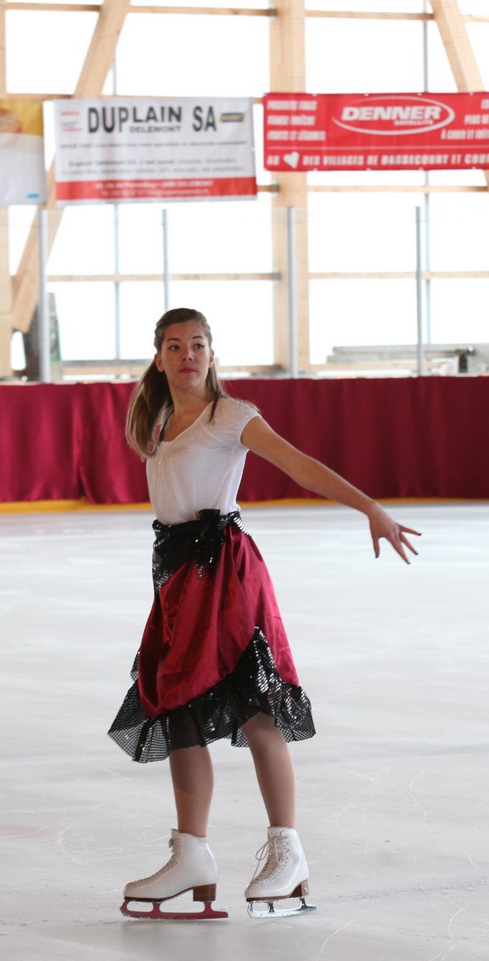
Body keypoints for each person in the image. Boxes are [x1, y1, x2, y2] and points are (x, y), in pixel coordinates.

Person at [109, 308, 420, 919]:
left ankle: (288, 853)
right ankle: (192, 854)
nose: (188, 355)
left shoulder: (231, 416)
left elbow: (297, 463)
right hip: (176, 577)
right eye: (174, 346)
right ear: (159, 358)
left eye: (198, 344)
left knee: (254, 706)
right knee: (178, 709)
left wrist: (369, 507)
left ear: (212, 354)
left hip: (225, 573)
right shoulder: (159, 421)